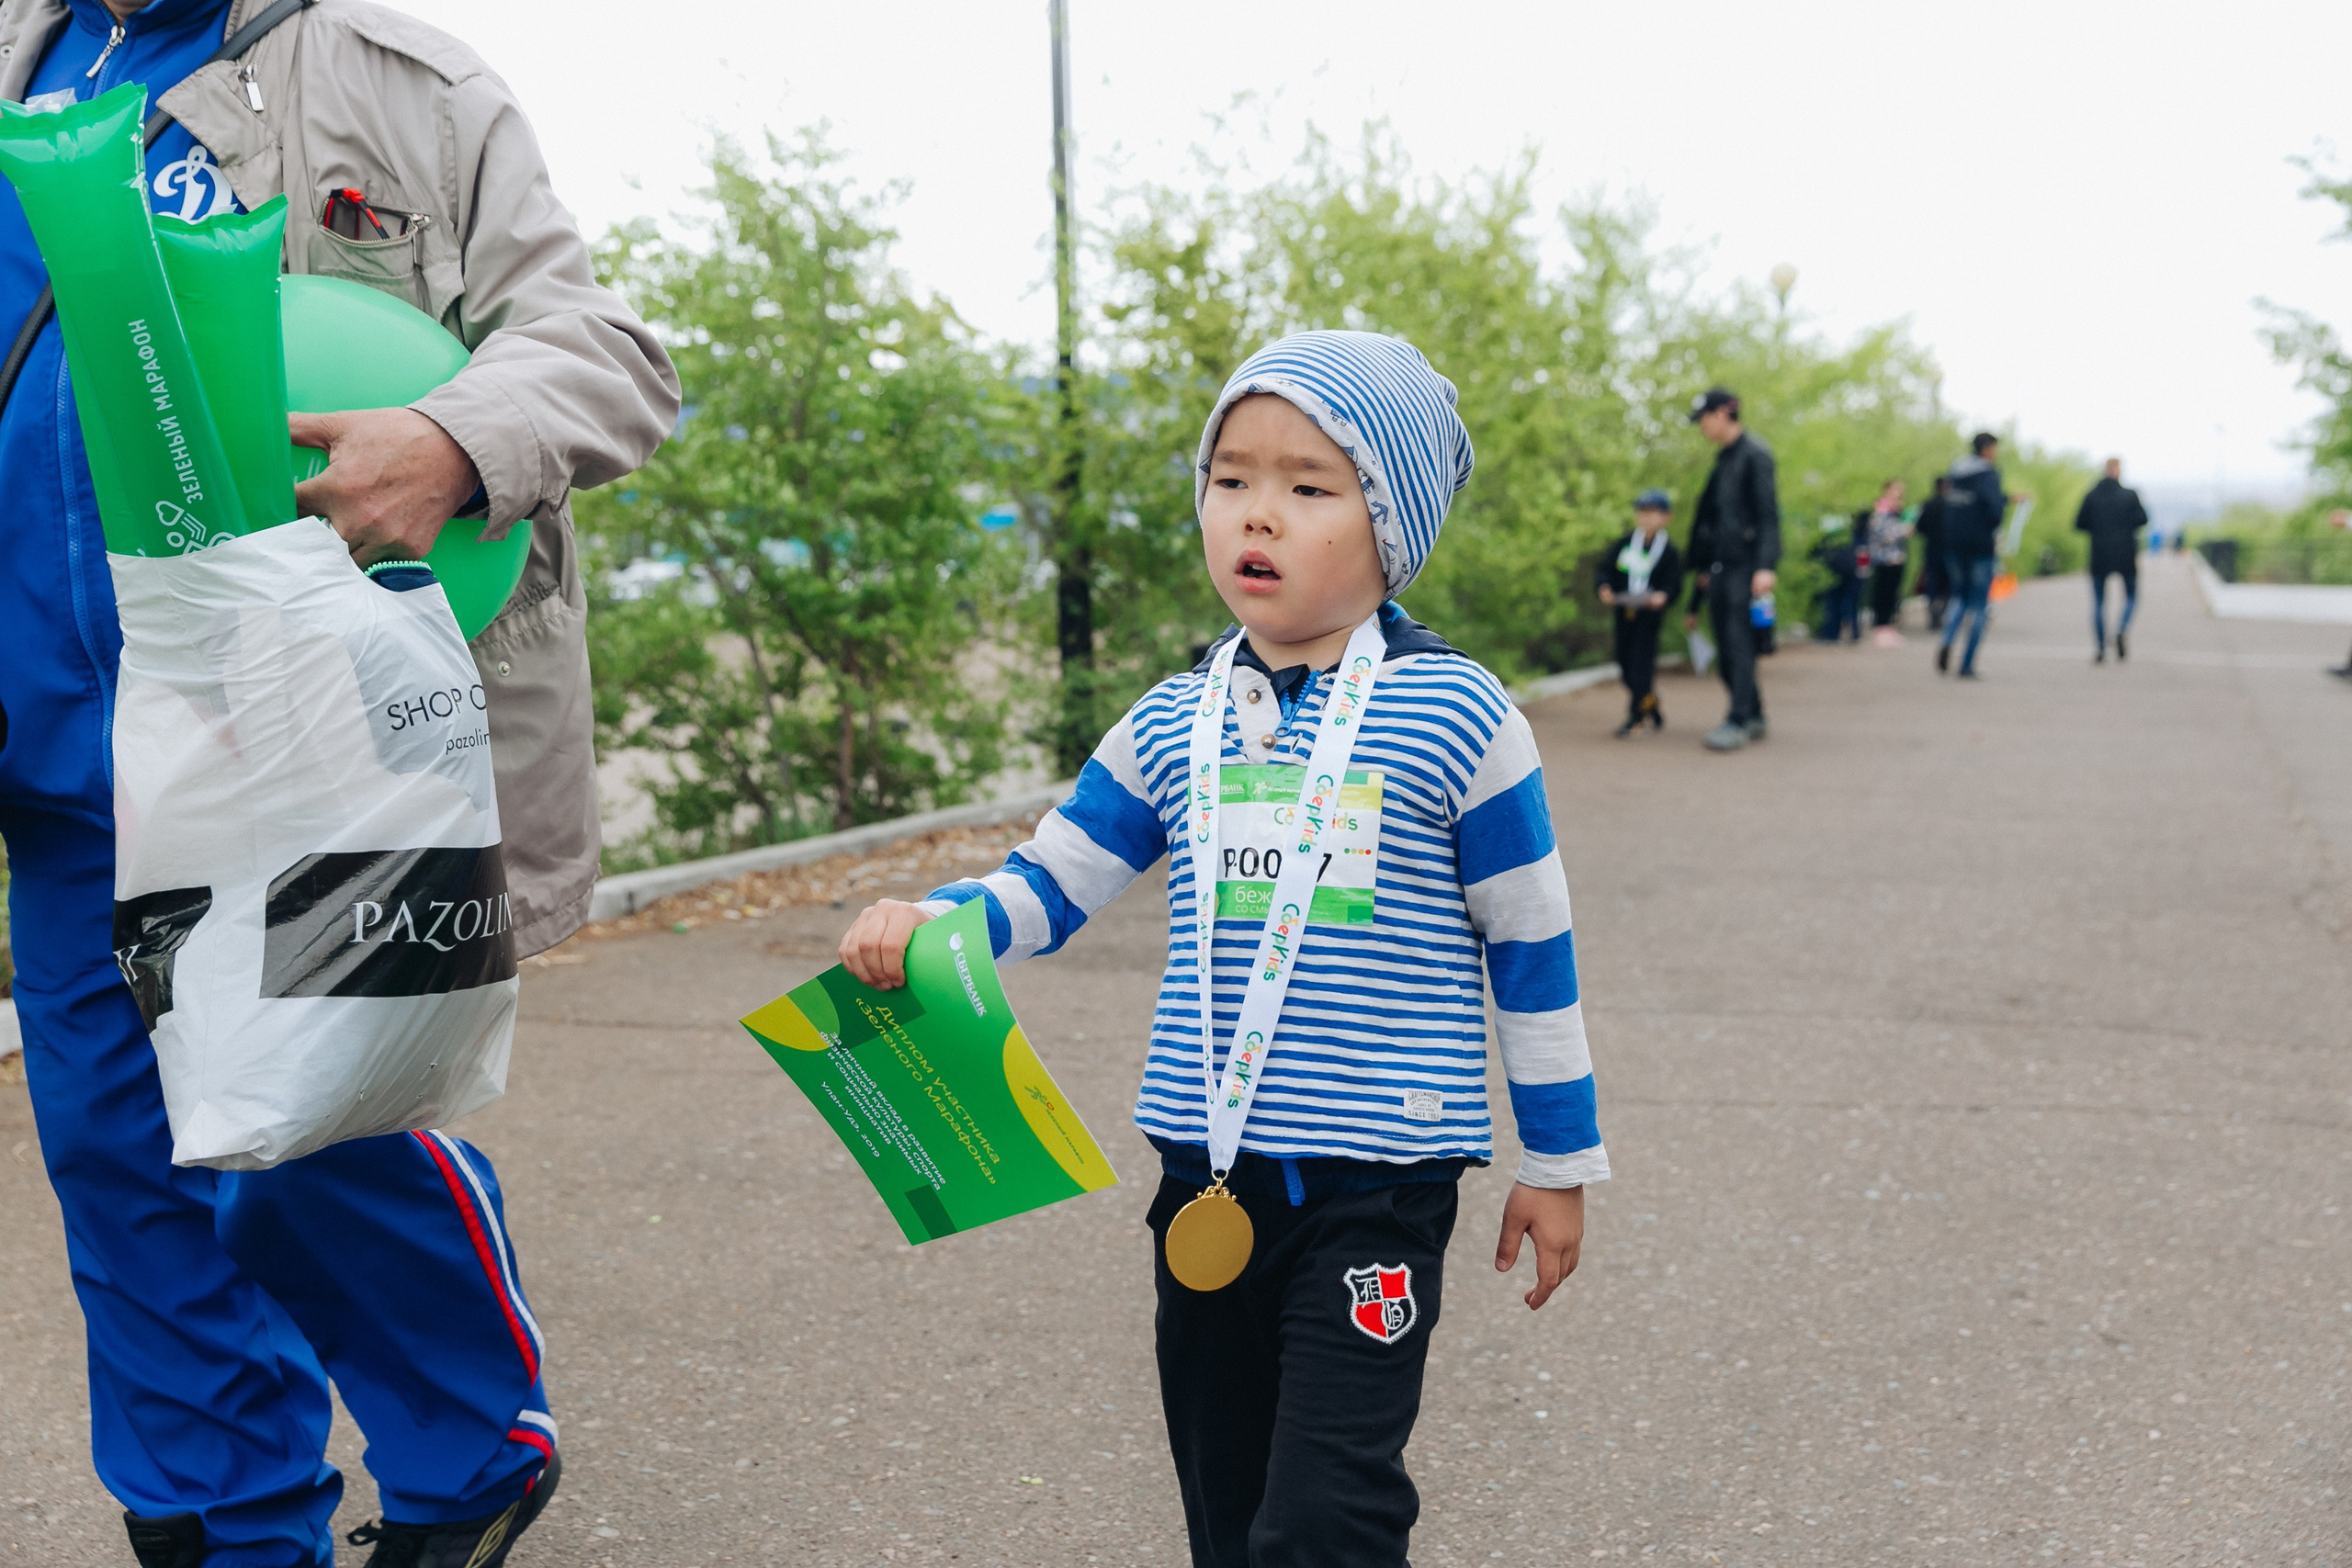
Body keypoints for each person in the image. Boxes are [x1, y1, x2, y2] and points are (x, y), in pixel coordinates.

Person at [0, 1, 680, 1564]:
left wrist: (453, 439)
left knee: (314, 1146)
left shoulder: (402, 84)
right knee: (123, 1183)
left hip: (308, 761)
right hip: (54, 756)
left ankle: (469, 1445)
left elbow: (609, 356)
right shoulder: (20, 67)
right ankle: (226, 1531)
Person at [837, 332, 1604, 1568]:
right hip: (1206, 1176)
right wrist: (938, 918)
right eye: (1231, 478)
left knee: (1326, 1513)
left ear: (1390, 521)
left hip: (1377, 1186)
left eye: (1310, 486)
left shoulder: (1462, 715)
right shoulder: (1174, 716)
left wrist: (1558, 1157)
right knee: (1227, 1500)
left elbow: (1532, 940)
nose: (1261, 513)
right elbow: (1054, 880)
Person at [1683, 387, 1781, 750]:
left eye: (1704, 420)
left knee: (1739, 645)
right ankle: (1753, 713)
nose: (1702, 428)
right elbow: (1710, 521)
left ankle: (1738, 719)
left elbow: (1769, 516)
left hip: (1746, 568)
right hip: (1721, 567)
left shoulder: (1756, 456)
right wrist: (1703, 566)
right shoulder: (1723, 460)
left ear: (1723, 413)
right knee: (1726, 644)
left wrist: (1765, 566)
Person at [1595, 488, 1684, 736]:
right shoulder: (1625, 543)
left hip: (1649, 616)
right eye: (1642, 513)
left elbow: (1674, 583)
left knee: (1641, 666)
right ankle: (1650, 702)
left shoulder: (1668, 551)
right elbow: (1605, 570)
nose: (1646, 518)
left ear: (1666, 517)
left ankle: (1636, 717)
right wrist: (1604, 588)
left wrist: (1663, 596)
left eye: (1653, 513)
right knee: (1625, 665)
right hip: (1624, 613)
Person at [1936, 433, 2012, 679]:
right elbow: (1994, 511)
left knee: (1959, 595)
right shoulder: (1988, 474)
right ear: (1988, 449)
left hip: (1953, 545)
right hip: (1980, 547)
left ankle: (1947, 639)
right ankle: (1967, 664)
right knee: (1979, 604)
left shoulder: (1955, 473)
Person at [2075, 458, 2149, 662]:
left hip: (2099, 553)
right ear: (2118, 472)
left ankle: (2100, 647)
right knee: (2132, 596)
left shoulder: (2092, 495)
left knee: (2099, 601)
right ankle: (2121, 629)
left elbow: (2079, 523)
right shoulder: (2129, 495)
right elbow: (2143, 519)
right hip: (2125, 553)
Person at [1865, 479, 1911, 642]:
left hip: (1896, 557)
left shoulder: (1896, 510)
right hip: (1884, 558)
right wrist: (1902, 531)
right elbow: (1880, 534)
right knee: (1883, 593)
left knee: (1892, 593)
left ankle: (1888, 626)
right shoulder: (1882, 509)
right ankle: (1881, 626)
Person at [1811, 512, 1865, 643]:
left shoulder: (1828, 513)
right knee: (1847, 601)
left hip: (1835, 564)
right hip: (1847, 564)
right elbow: (1863, 544)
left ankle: (1832, 634)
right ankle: (1850, 632)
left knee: (1835, 601)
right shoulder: (1854, 514)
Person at [1916, 474, 1952, 629]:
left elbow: (1919, 527)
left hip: (1931, 548)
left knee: (1932, 580)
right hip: (1949, 550)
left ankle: (1933, 611)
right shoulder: (1952, 506)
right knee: (1948, 582)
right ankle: (1942, 609)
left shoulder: (1928, 504)